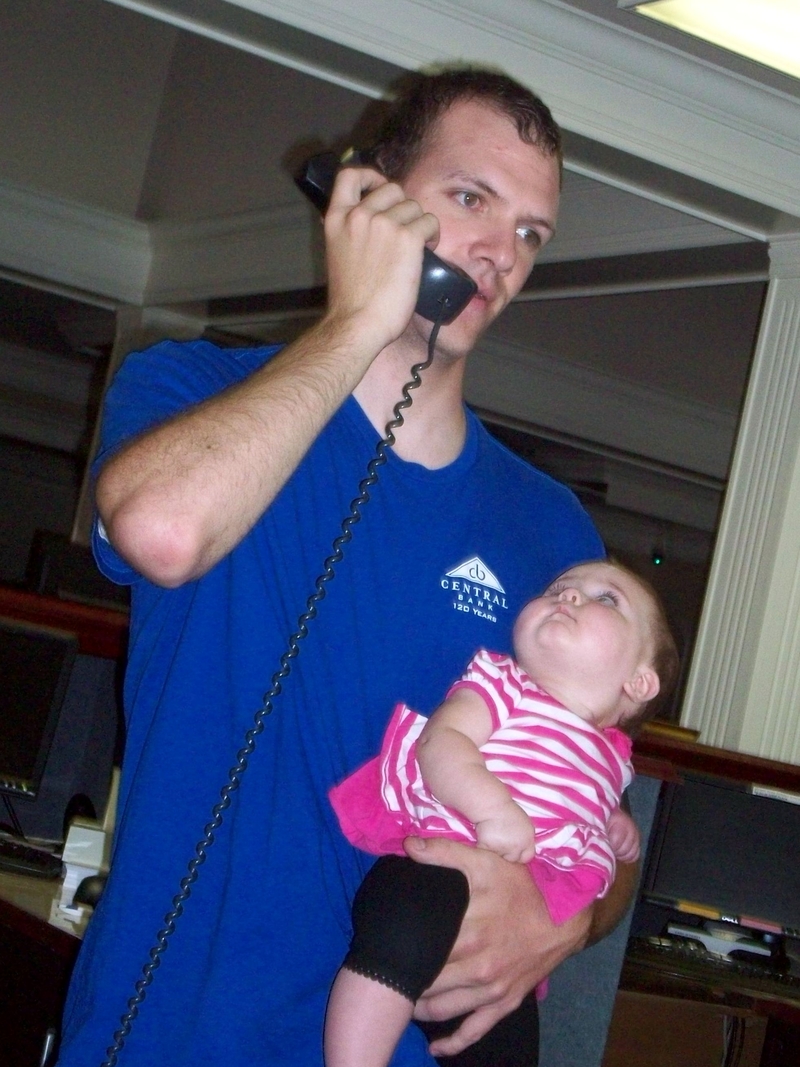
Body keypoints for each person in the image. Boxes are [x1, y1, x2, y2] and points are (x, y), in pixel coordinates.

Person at [57, 68, 638, 1067]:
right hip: (167, 1032)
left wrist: (569, 920)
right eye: (470, 198)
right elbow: (164, 532)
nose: (500, 253)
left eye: (530, 232)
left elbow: (602, 813)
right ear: (370, 196)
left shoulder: (551, 533)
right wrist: (358, 321)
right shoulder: (188, 388)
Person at [324, 559, 678, 1067]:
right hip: (439, 865)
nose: (568, 595)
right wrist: (492, 808)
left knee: (507, 1043)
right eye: (558, 587)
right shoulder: (504, 682)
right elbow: (442, 740)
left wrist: (612, 825)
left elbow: (583, 807)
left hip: (508, 935)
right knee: (395, 944)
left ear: (640, 683)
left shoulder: (613, 759)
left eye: (606, 599)